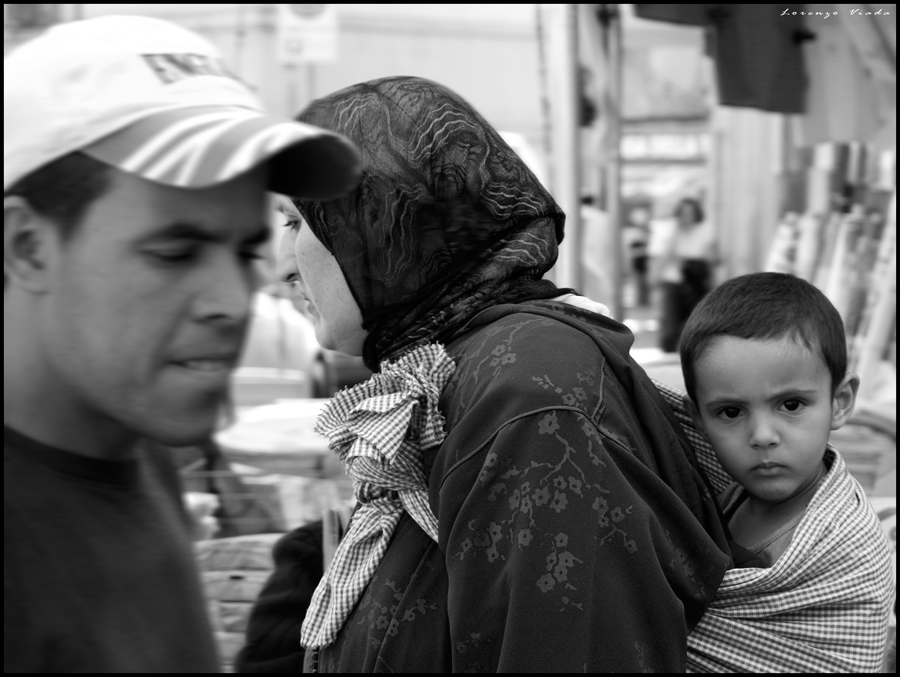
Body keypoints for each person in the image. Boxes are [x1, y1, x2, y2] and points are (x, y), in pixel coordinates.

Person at [237, 75, 733, 673]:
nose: (282, 266)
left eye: (296, 222)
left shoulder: (528, 396)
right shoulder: (469, 369)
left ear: (387, 219)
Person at [4, 15, 360, 673]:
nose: (233, 300)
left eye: (246, 250)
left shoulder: (133, 448)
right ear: (27, 246)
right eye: (174, 252)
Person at [673, 273, 894, 672]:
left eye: (791, 405)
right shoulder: (727, 497)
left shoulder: (841, 546)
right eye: (731, 412)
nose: (762, 436)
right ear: (698, 419)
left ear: (840, 401)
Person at [649, 197, 717, 352]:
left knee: (694, 318)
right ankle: (668, 350)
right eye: (683, 213)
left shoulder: (704, 230)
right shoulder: (671, 229)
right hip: (673, 279)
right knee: (671, 320)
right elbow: (664, 255)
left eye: (690, 213)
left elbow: (710, 258)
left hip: (696, 280)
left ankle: (690, 350)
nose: (687, 217)